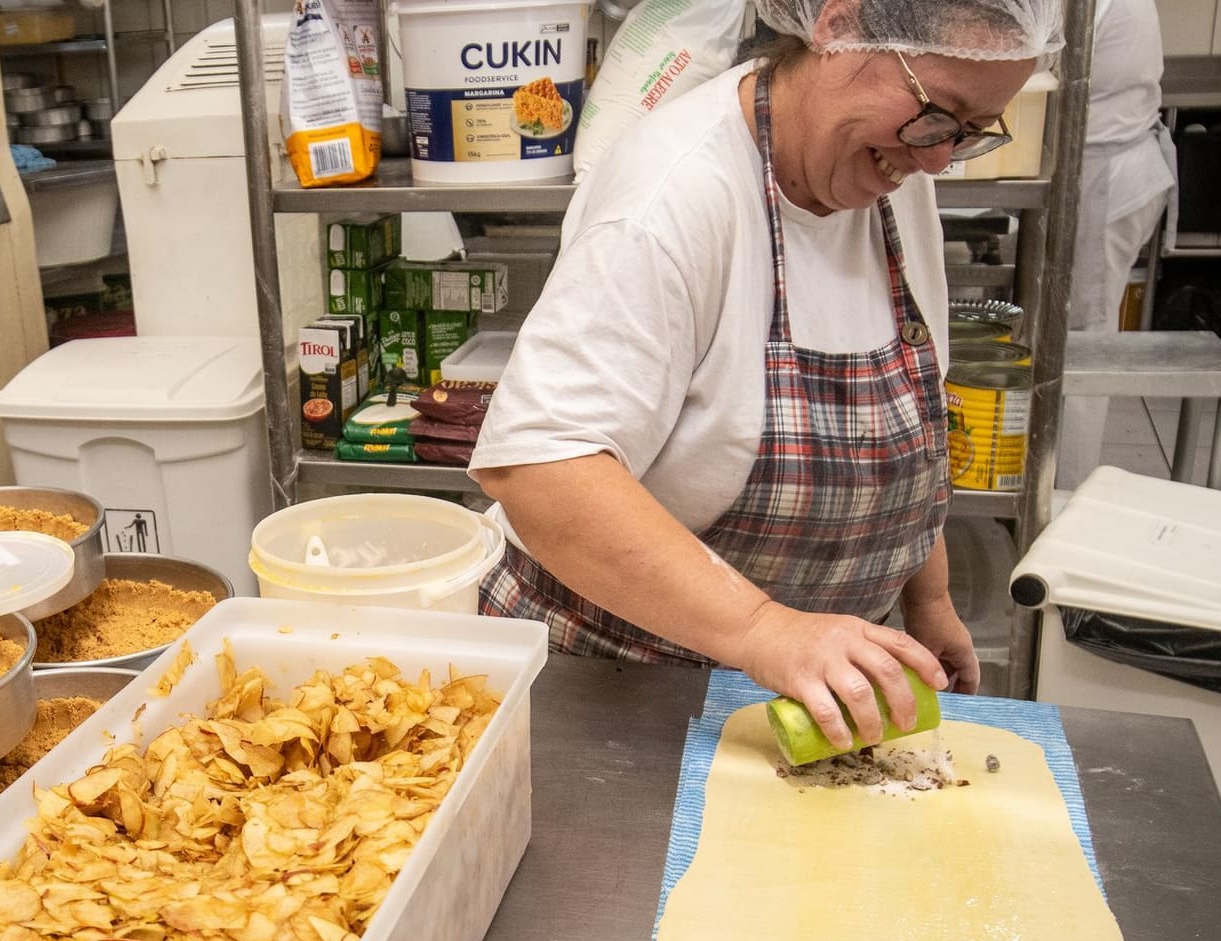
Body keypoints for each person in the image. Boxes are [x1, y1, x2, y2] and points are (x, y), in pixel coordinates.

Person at [470, 0, 1062, 750]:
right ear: (839, 26)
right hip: (611, 689)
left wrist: (928, 593)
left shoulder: (889, 174)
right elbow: (539, 469)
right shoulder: (675, 197)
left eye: (973, 131)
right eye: (939, 114)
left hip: (789, 694)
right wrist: (762, 629)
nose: (941, 157)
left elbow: (910, 416)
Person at [1057, 0, 1175, 487]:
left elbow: (1040, 60)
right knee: (1072, 338)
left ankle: (1063, 502)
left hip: (1104, 179)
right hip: (1104, 167)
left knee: (1079, 347)